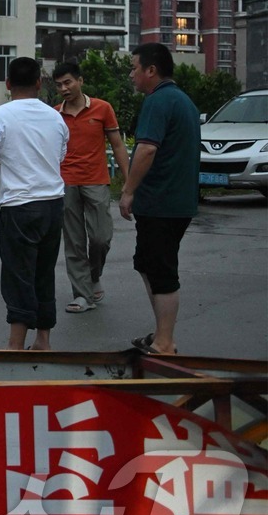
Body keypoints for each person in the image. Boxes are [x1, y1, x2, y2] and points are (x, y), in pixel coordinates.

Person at [0, 57, 69, 351]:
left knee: (18, 274)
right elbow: (62, 155)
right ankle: (43, 340)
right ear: (40, 84)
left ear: (7, 84)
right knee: (44, 272)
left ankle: (15, 347)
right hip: (53, 205)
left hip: (19, 207)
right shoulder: (56, 117)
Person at [119, 42, 200, 356]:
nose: (131, 74)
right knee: (149, 265)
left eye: (135, 67)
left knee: (162, 270)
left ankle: (165, 342)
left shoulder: (157, 101)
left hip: (162, 203)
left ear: (151, 70)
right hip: (175, 201)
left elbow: (146, 149)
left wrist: (128, 191)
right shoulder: (184, 102)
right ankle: (161, 334)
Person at [53, 62, 131, 314]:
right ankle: (82, 295)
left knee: (100, 238)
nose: (64, 88)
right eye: (59, 85)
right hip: (65, 182)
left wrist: (129, 181)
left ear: (80, 81)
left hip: (96, 179)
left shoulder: (102, 108)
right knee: (74, 242)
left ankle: (92, 275)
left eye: (68, 82)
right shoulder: (54, 114)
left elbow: (118, 145)